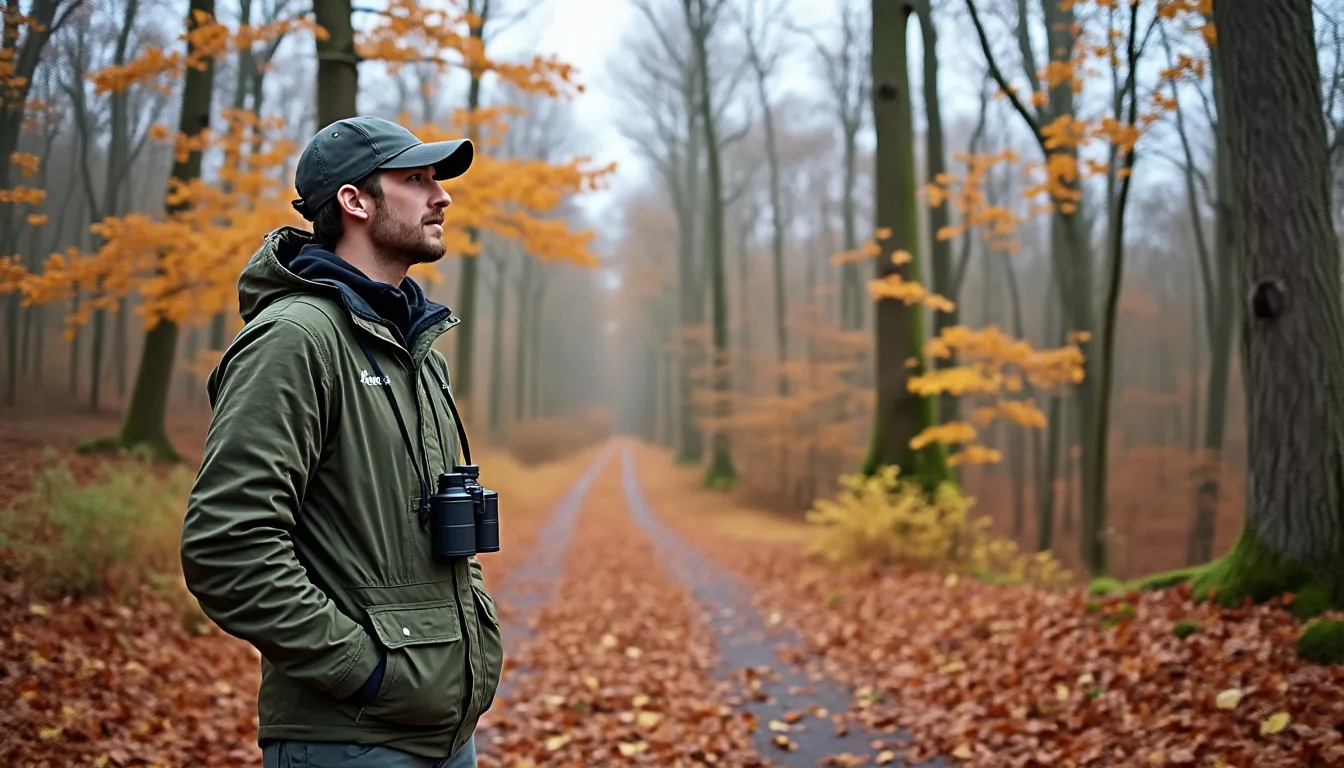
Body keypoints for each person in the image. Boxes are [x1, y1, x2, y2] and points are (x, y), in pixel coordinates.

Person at [180, 116, 503, 768]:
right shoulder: (295, 340)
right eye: (416, 181)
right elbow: (227, 546)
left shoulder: (416, 349)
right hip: (349, 740)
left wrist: (476, 639)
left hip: (444, 732)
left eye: (435, 181)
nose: (441, 197)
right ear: (355, 202)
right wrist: (370, 672)